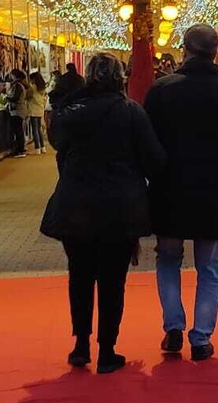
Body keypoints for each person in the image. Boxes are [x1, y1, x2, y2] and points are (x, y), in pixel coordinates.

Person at [40, 53, 166, 373]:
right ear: (119, 77)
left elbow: (59, 149)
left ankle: (81, 344)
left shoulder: (70, 112)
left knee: (79, 276)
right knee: (112, 281)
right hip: (120, 208)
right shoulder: (131, 113)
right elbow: (154, 159)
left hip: (75, 206)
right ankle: (107, 350)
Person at [144, 24, 218, 361]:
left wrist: (157, 171)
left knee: (168, 258)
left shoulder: (161, 91)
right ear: (215, 51)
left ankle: (173, 326)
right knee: (210, 267)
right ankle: (201, 338)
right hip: (214, 191)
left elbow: (146, 140)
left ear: (185, 50)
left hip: (169, 191)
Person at [5, 68, 28, 157]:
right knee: (19, 131)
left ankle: (20, 150)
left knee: (18, 131)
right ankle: (20, 149)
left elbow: (15, 97)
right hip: (19, 110)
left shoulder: (17, 85)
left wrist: (7, 98)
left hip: (17, 111)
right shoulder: (20, 85)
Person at [26, 71, 48, 152]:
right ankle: (43, 147)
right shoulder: (42, 87)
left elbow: (27, 96)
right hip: (40, 109)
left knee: (34, 129)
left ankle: (37, 147)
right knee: (39, 129)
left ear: (34, 79)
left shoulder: (32, 88)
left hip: (33, 110)